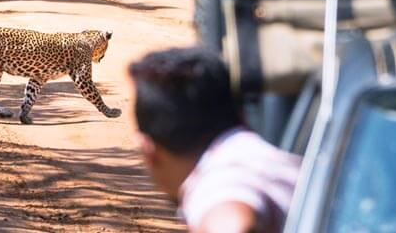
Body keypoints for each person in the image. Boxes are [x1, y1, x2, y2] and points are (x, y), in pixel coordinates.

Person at [129, 47, 301, 233]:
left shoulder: (218, 180)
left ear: (149, 151)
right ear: (241, 114)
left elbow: (233, 222)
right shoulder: (262, 157)